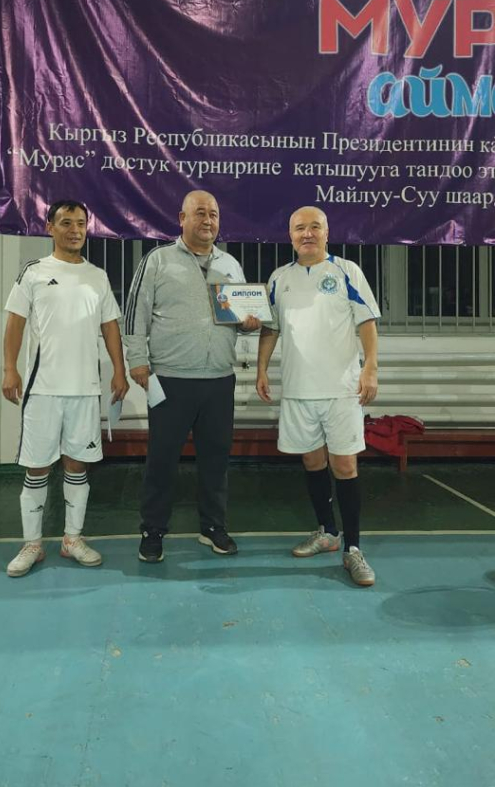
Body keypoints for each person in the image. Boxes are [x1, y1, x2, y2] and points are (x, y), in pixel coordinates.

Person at [124, 190, 260, 563]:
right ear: (181, 218)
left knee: (216, 459)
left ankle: (213, 527)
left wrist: (249, 323)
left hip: (219, 379)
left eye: (213, 214)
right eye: (200, 213)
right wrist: (137, 360)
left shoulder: (230, 264)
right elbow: (135, 313)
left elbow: (239, 317)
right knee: (162, 459)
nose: (208, 220)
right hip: (169, 379)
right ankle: (153, 531)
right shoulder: (157, 260)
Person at [2, 200, 129, 577]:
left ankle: (72, 539)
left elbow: (110, 327)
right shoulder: (34, 272)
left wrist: (119, 371)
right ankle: (32, 544)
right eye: (66, 223)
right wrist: (10, 369)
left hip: (85, 391)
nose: (75, 230)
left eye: (81, 223)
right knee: (37, 467)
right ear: (49, 227)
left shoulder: (97, 276)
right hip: (42, 390)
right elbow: (15, 323)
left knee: (77, 465)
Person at [256, 206, 380, 586]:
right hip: (298, 390)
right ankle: (328, 532)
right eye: (299, 228)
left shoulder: (346, 271)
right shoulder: (278, 278)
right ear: (290, 235)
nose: (307, 234)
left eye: (314, 227)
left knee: (344, 466)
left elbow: (367, 321)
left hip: (341, 390)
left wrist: (370, 368)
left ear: (327, 232)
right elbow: (270, 328)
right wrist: (261, 369)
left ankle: (353, 549)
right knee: (311, 461)